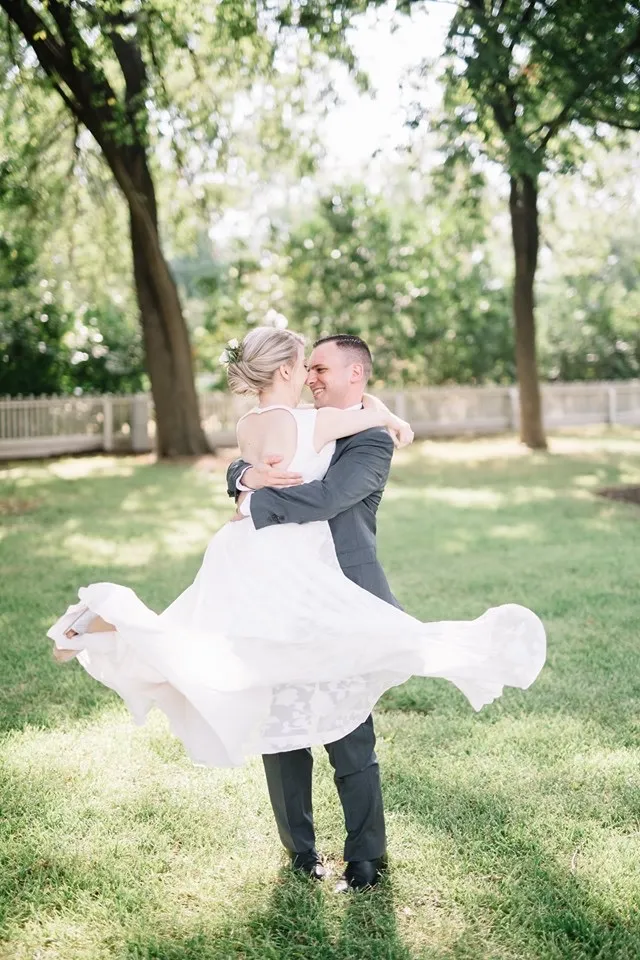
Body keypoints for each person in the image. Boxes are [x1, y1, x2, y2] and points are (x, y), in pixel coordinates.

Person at [48, 325, 546, 893]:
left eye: (322, 370)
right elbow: (252, 465)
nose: (311, 377)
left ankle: (366, 858)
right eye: (306, 368)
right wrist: (244, 476)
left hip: (336, 595)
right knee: (281, 732)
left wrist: (253, 495)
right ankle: (300, 853)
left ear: (354, 375)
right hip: (280, 591)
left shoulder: (367, 441)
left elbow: (329, 497)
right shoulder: (314, 422)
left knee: (349, 736)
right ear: (285, 369)